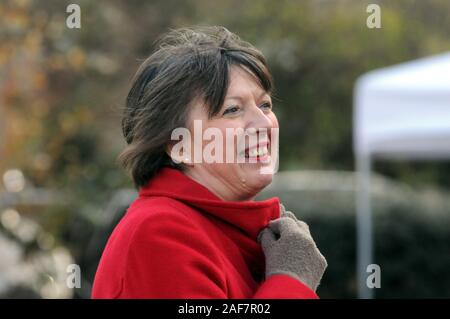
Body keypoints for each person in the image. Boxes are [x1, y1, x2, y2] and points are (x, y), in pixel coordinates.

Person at [92, 26, 327, 299]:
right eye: (233, 110)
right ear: (179, 146)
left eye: (264, 105)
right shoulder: (159, 233)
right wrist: (291, 282)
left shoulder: (225, 233)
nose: (264, 123)